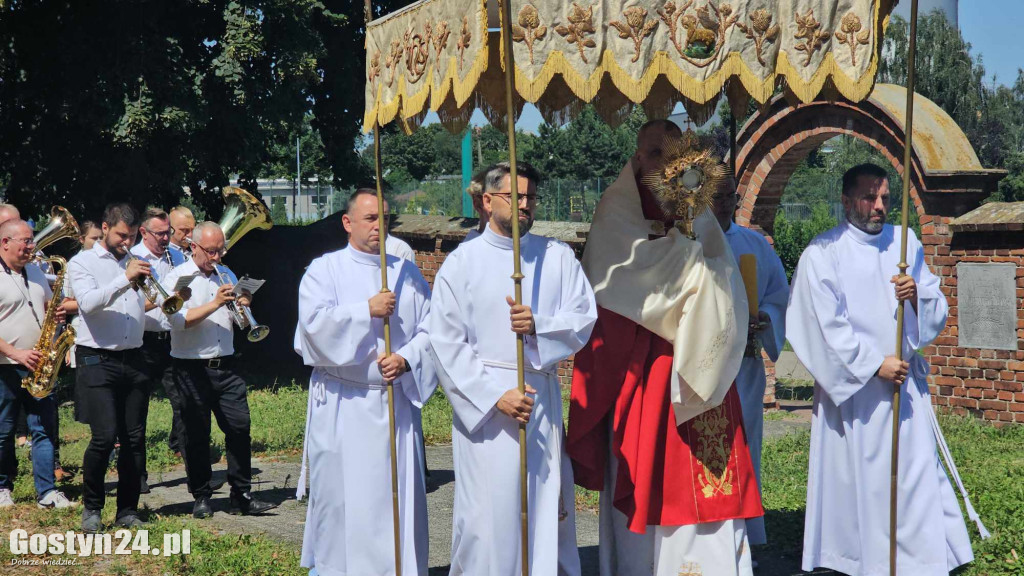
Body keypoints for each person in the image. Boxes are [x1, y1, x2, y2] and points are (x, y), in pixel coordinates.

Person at [567, 120, 762, 576]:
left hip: (699, 366)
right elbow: (613, 285)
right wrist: (684, 262)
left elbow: (722, 274)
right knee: (647, 475)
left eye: (674, 153)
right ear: (637, 158)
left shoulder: (698, 210)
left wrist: (692, 254)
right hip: (643, 368)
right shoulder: (615, 211)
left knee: (707, 473)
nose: (665, 164)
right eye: (655, 153)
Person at [787, 163, 982, 575]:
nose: (879, 207)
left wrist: (915, 297)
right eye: (869, 197)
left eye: (886, 199)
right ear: (845, 200)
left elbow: (937, 306)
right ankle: (861, 559)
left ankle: (923, 559)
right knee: (865, 481)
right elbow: (821, 326)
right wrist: (874, 364)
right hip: (857, 395)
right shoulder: (823, 254)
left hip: (905, 389)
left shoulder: (905, 242)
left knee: (914, 474)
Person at [430, 161, 597, 575]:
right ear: (487, 201)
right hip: (487, 413)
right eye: (514, 197)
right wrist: (494, 396)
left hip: (540, 401)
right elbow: (445, 342)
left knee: (544, 509)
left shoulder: (556, 257)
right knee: (489, 515)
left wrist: (540, 326)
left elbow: (583, 317)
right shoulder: (462, 262)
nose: (525, 205)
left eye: (530, 198)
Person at [294, 189, 436, 575]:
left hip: (393, 406)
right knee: (343, 501)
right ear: (348, 222)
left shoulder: (405, 272)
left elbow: (433, 330)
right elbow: (312, 330)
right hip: (344, 405)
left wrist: (406, 359)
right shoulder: (324, 270)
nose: (379, 227)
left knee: (394, 501)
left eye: (385, 219)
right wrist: (365, 311)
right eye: (371, 219)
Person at [162, 221, 276, 518]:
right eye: (211, 251)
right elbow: (179, 321)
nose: (217, 256)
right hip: (190, 367)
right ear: (194, 247)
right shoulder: (178, 278)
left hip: (226, 364)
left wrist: (243, 306)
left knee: (240, 428)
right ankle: (201, 496)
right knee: (196, 435)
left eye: (220, 250)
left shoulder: (226, 273)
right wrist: (215, 303)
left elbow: (237, 322)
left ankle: (242, 495)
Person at [711, 178, 789, 546]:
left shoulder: (754, 244)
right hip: (705, 371)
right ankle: (711, 533)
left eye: (731, 197)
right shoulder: (686, 244)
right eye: (716, 197)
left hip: (744, 368)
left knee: (746, 445)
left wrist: (767, 317)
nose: (725, 204)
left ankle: (745, 536)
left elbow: (778, 293)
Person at [67, 204, 152, 532]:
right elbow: (87, 303)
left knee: (134, 439)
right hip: (97, 359)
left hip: (134, 358)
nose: (126, 242)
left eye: (131, 236)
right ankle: (92, 507)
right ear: (105, 227)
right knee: (104, 436)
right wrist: (125, 278)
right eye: (120, 235)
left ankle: (128, 510)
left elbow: (140, 305)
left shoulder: (134, 262)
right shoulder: (83, 262)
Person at [0, 219, 75, 509]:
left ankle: (47, 491)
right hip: (6, 365)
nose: (33, 246)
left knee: (44, 428)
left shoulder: (35, 271)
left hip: (40, 363)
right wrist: (16, 353)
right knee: (4, 431)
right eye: (26, 241)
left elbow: (45, 307)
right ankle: (3, 487)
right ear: (5, 242)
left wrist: (54, 318)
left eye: (32, 240)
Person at [130, 208, 190, 493]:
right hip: (142, 342)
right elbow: (131, 306)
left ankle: (195, 471)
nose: (167, 238)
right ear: (144, 232)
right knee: (137, 411)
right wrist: (163, 301)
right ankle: (137, 476)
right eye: (160, 234)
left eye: (168, 233)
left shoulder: (176, 257)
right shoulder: (132, 259)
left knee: (185, 405)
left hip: (174, 340)